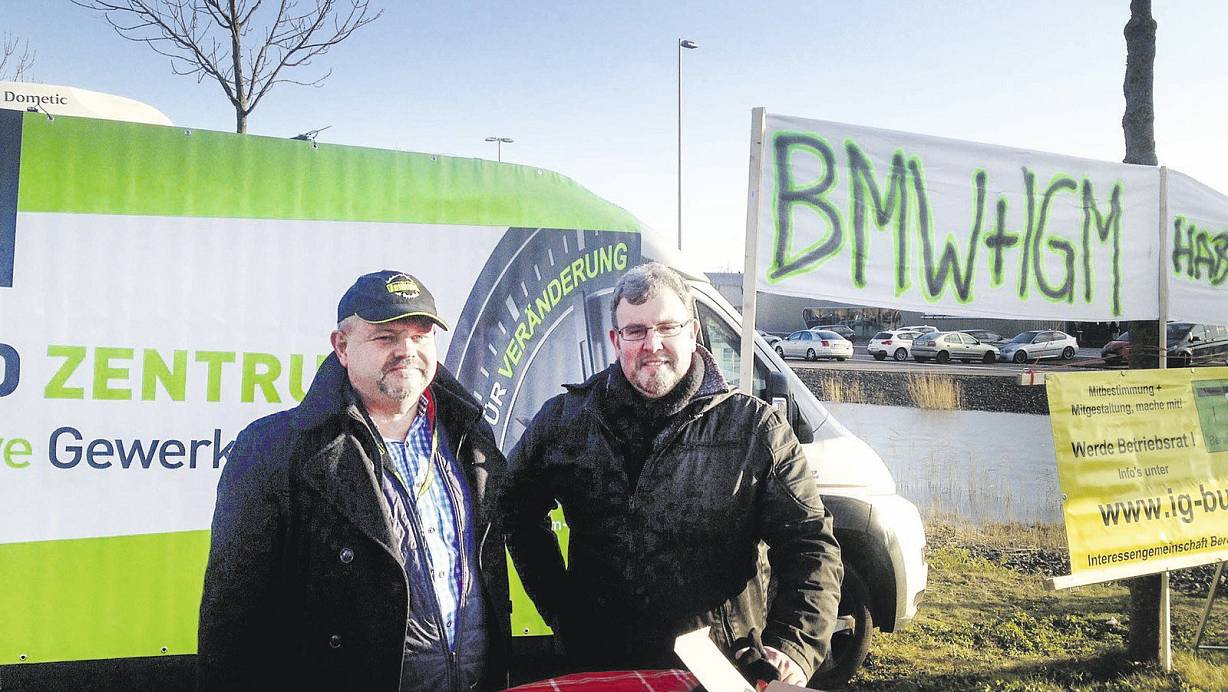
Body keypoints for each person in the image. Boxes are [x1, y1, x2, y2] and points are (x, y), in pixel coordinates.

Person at [499, 262, 843, 685]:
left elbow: (810, 543)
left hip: (720, 669)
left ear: (693, 332)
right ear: (615, 340)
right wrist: (562, 609)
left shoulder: (754, 428)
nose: (653, 344)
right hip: (600, 666)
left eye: (667, 327)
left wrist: (793, 645)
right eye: (636, 331)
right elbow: (513, 507)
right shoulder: (567, 420)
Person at [198, 270, 510, 692]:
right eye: (386, 337)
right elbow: (231, 624)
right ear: (342, 347)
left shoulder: (471, 437)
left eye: (420, 336)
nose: (407, 351)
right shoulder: (273, 450)